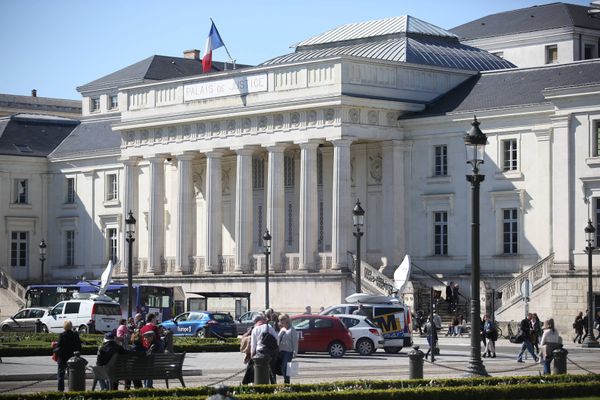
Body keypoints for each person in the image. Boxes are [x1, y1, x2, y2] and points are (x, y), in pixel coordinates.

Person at [250, 313, 279, 384]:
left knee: (260, 371)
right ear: (261, 320)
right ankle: (273, 385)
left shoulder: (255, 329)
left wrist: (252, 355)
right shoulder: (268, 326)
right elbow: (277, 338)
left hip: (260, 352)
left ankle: (261, 386)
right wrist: (275, 347)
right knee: (272, 370)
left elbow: (253, 344)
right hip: (271, 351)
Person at [54, 320, 82, 392]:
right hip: (72, 358)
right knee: (71, 375)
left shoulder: (62, 335)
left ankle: (60, 389)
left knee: (61, 375)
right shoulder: (75, 335)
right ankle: (72, 388)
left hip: (63, 358)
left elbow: (59, 346)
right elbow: (79, 347)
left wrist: (55, 350)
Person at [277, 314, 299, 384]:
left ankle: (287, 382)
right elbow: (278, 339)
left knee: (285, 367)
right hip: (281, 351)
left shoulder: (292, 330)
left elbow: (295, 342)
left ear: (287, 321)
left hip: (288, 352)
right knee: (281, 368)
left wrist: (295, 352)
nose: (281, 324)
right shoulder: (282, 329)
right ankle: (286, 381)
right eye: (280, 322)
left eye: (282, 322)